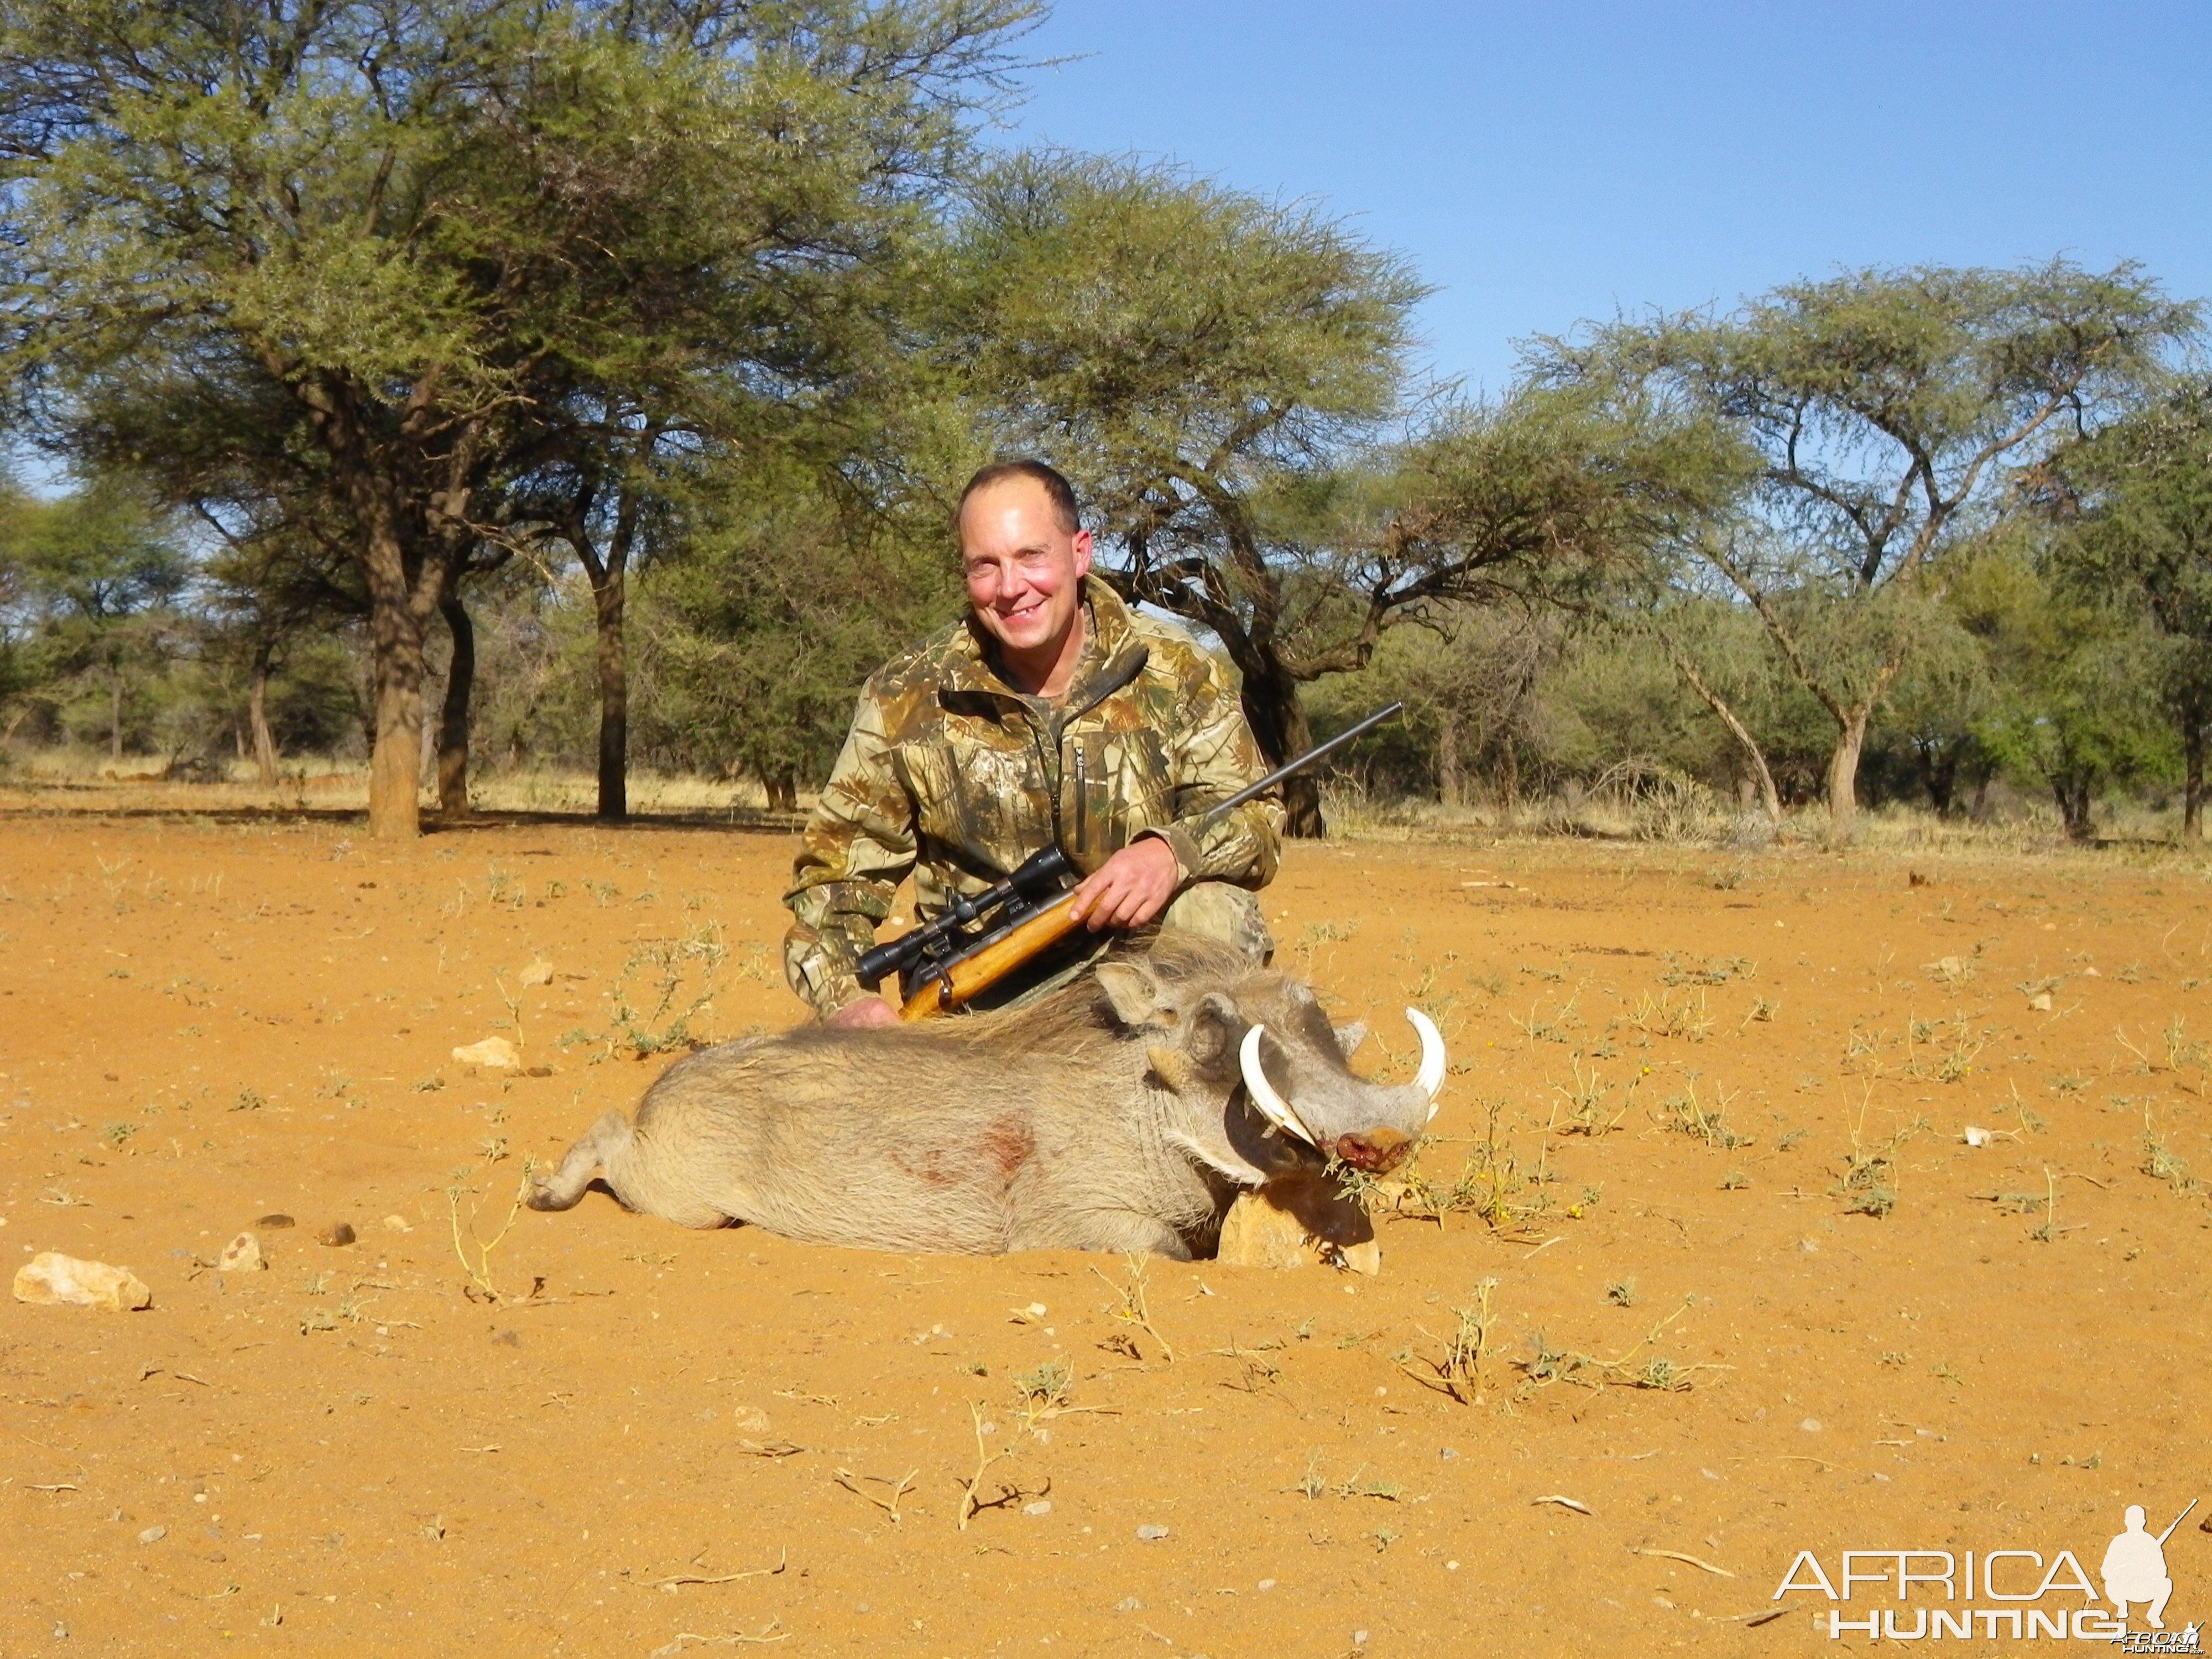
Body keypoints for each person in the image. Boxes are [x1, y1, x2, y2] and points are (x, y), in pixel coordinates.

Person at [784, 459, 1282, 1026]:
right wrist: (850, 1002)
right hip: (984, 999)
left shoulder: (1180, 668)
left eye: (1031, 556)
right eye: (984, 566)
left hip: (1150, 985)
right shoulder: (904, 695)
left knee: (1214, 912)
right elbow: (832, 880)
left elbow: (1256, 818)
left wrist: (1171, 851)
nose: (1010, 587)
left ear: (1079, 552)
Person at [2101, 1504, 2175, 1629]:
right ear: (2126, 1522)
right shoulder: (2118, 1542)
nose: (2135, 1524)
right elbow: (2105, 1571)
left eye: (2138, 1520)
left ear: (2144, 1522)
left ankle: (2154, 1614)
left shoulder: (2150, 1542)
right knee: (2110, 1583)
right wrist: (2125, 1568)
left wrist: (2148, 1569)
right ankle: (2122, 1605)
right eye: (2132, 1520)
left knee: (2166, 1584)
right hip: (2123, 1588)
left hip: (2143, 1588)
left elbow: (2162, 1571)